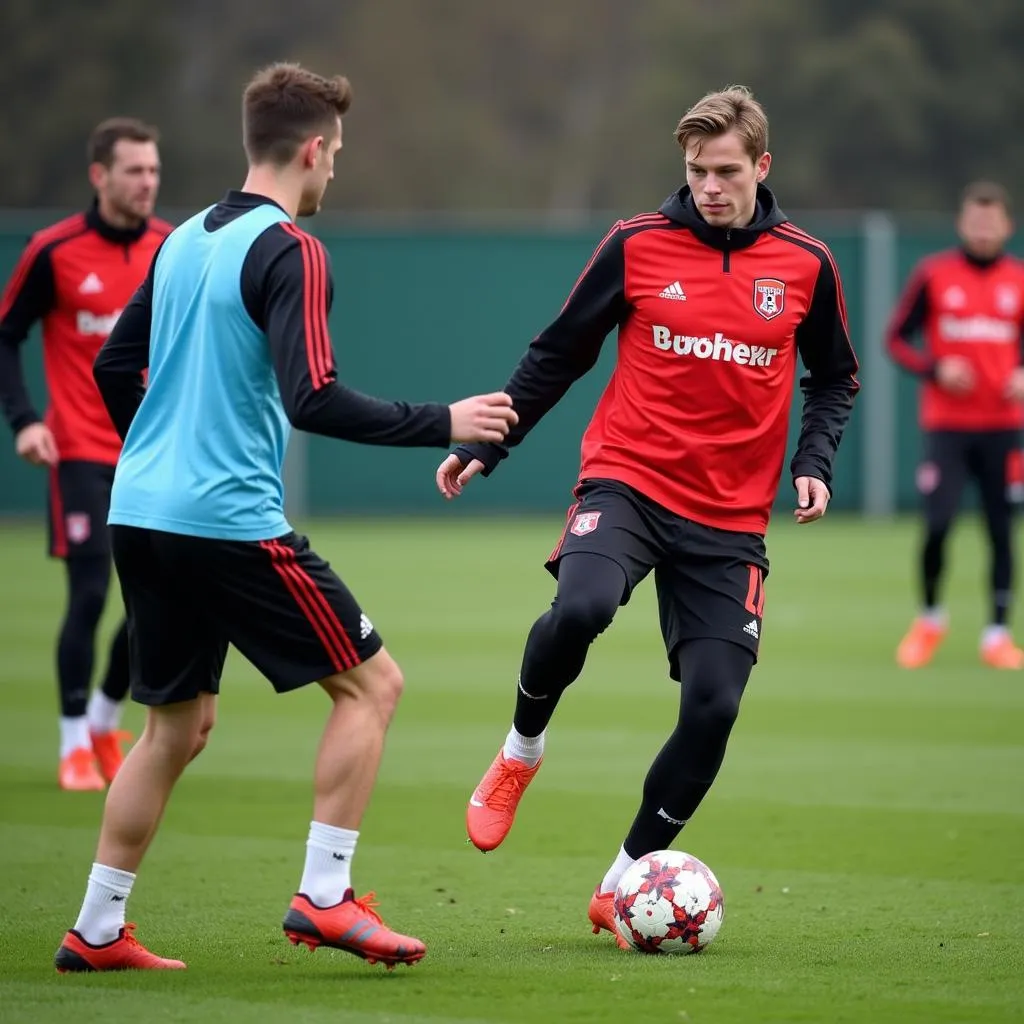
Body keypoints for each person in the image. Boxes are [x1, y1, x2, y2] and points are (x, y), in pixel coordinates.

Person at [53, 62, 517, 974]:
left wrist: (158, 457)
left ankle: (96, 929)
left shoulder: (181, 238)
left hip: (139, 512)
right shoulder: (293, 250)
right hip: (224, 520)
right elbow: (314, 399)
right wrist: (445, 423)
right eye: (335, 154)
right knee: (372, 687)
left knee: (173, 729)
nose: (334, 171)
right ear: (312, 150)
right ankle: (326, 896)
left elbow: (114, 368)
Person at [435, 85, 859, 948]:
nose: (709, 185)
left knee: (713, 706)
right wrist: (489, 445)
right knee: (582, 608)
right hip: (628, 480)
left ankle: (624, 879)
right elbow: (557, 354)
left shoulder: (806, 264)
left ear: (762, 167)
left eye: (726, 170)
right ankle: (521, 750)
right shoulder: (636, 244)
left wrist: (813, 463)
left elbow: (837, 376)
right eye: (697, 170)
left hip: (731, 520)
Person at [0, 118, 169, 791]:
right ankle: (73, 742)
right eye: (134, 170)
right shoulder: (54, 250)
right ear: (100, 176)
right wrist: (24, 420)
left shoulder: (172, 248)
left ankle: (104, 720)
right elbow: (5, 336)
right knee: (91, 588)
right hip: (78, 453)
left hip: (151, 453)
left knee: (156, 596)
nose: (147, 182)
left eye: (154, 170)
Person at [889, 182, 1024, 670]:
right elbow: (896, 338)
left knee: (1001, 531)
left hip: (1003, 428)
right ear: (961, 224)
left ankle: (996, 635)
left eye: (992, 222)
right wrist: (935, 369)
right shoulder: (934, 275)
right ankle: (929, 620)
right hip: (947, 427)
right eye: (975, 221)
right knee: (938, 524)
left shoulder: (1019, 280)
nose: (983, 230)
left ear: (1007, 226)